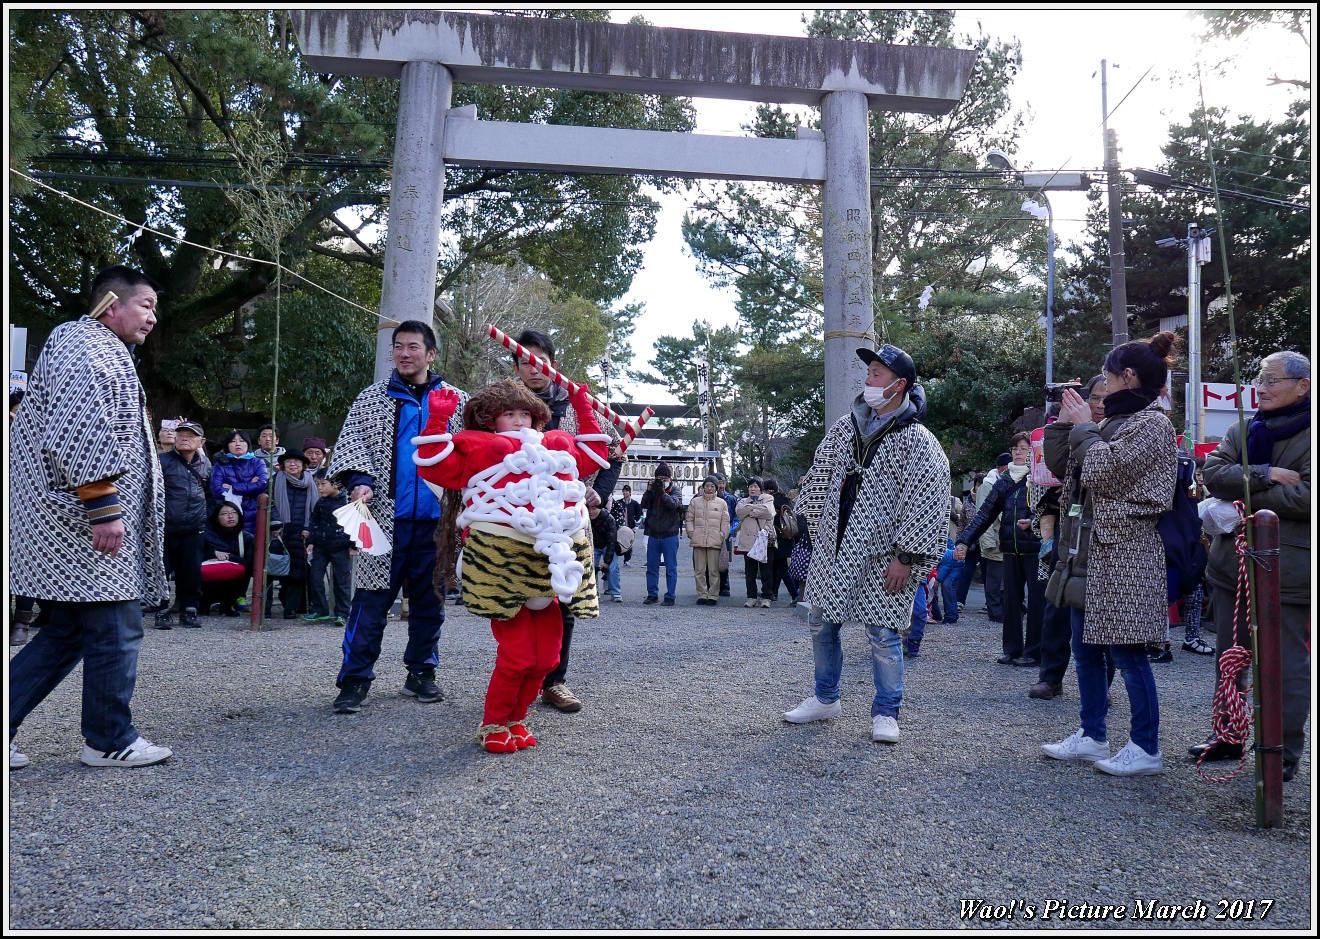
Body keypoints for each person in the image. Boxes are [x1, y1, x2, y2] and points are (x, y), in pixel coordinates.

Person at [9, 264, 172, 770]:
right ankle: (108, 738)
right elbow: (80, 428)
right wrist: (103, 506)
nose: (151, 319)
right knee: (116, 627)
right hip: (82, 523)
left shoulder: (92, 346)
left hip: (71, 521)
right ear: (109, 305)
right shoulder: (86, 343)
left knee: (69, 632)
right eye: (145, 306)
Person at [412, 379, 608, 753]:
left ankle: (517, 718)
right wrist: (437, 419)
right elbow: (434, 464)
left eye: (525, 414)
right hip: (503, 565)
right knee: (518, 654)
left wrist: (584, 410)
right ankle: (494, 722)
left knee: (547, 657)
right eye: (509, 414)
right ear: (490, 420)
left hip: (549, 561)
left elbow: (593, 456)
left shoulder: (554, 446)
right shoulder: (478, 447)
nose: (519, 421)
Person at [786, 343, 949, 744]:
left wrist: (907, 557)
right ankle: (826, 698)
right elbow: (820, 472)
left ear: (900, 385)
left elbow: (927, 498)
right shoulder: (846, 427)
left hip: (885, 554)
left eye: (876, 373)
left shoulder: (919, 441)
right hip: (834, 545)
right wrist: (806, 522)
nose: (868, 381)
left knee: (884, 632)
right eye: (869, 372)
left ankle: (887, 712)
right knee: (821, 621)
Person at [1041, 331, 1179, 776]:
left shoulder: (1154, 424)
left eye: (1108, 375)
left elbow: (1104, 471)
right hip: (1090, 550)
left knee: (1127, 653)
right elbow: (1068, 468)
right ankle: (1092, 734)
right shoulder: (1113, 423)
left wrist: (1083, 426)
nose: (1102, 385)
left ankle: (1146, 747)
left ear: (1129, 377)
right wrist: (1066, 424)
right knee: (1084, 649)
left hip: (1127, 553)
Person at [327, 320, 467, 714]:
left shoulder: (457, 400)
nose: (405, 353)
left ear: (431, 353)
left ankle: (421, 673)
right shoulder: (371, 399)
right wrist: (359, 480)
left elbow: (472, 450)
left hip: (437, 524)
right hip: (382, 517)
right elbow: (352, 442)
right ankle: (354, 680)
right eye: (399, 346)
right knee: (370, 604)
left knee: (430, 603)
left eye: (413, 347)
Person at [1190, 350, 1309, 781]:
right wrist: (1266, 473)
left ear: (1303, 385)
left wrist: (1243, 497)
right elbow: (1213, 474)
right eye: (1259, 378)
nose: (1261, 386)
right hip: (1233, 565)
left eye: (1272, 379)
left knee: (1286, 665)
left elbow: (1308, 497)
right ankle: (1228, 734)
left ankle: (1282, 754)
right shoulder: (1245, 429)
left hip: (1291, 572)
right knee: (1230, 656)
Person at [509, 328, 620, 713]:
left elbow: (613, 453)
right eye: (526, 360)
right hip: (518, 518)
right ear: (517, 365)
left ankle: (556, 680)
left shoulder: (576, 404)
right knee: (519, 596)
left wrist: (599, 495)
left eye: (541, 359)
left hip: (569, 518)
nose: (534, 368)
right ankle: (517, 676)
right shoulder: (506, 407)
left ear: (553, 364)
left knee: (564, 596)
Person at [955, 433, 1044, 667]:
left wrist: (1034, 525)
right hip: (1010, 548)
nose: (1018, 452)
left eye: (1023, 448)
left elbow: (1048, 510)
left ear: (1031, 452)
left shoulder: (1039, 477)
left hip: (1035, 548)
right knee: (1011, 600)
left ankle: (1034, 652)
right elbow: (985, 513)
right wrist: (964, 540)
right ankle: (1012, 649)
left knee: (1036, 602)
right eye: (1014, 448)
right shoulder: (1004, 480)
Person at [157, 419, 210, 629]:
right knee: (162, 570)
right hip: (166, 527)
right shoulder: (162, 461)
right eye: (181, 434)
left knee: (191, 572)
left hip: (194, 527)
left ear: (201, 441)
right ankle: (162, 609)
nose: (184, 438)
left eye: (191, 435)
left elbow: (211, 494)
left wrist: (205, 517)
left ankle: (190, 609)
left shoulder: (205, 464)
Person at [268, 449, 317, 619]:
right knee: (277, 567)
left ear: (303, 465)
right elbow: (270, 503)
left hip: (301, 530)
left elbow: (315, 509)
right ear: (283, 465)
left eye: (297, 462)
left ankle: (291, 608)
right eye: (289, 462)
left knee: (298, 571)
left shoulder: (311, 482)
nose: (293, 464)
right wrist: (275, 523)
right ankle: (272, 606)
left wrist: (309, 528)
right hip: (279, 530)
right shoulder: (276, 480)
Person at [304, 469, 355, 626]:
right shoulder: (321, 503)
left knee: (342, 581)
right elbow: (314, 522)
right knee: (315, 576)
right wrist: (311, 541)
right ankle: (320, 609)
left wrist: (354, 545)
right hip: (321, 545)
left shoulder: (346, 501)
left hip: (341, 545)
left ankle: (342, 613)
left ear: (335, 484)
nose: (319, 488)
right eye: (318, 484)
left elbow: (353, 524)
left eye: (323, 484)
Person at [210, 430, 268, 537]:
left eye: (242, 441)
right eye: (233, 441)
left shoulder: (257, 462)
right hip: (229, 514)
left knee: (252, 547)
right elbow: (216, 490)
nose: (237, 444)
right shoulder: (220, 465)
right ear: (227, 445)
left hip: (253, 514)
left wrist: (232, 487)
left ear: (248, 444)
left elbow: (261, 485)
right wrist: (249, 485)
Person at [641, 462, 682, 607]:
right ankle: (652, 594)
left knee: (671, 568)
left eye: (665, 478)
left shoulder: (675, 491)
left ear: (670, 479)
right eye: (659, 477)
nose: (662, 480)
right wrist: (649, 490)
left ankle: (670, 596)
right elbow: (643, 505)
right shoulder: (652, 491)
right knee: (652, 567)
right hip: (653, 534)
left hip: (670, 535)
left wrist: (662, 493)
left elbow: (673, 505)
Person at [687, 475, 731, 605]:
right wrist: (691, 533)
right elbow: (689, 519)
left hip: (715, 542)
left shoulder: (722, 503)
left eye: (712, 486)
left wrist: (722, 535)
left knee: (713, 571)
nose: (710, 488)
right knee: (699, 570)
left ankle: (713, 595)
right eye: (707, 485)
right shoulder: (695, 502)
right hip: (698, 540)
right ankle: (701, 594)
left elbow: (725, 522)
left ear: (716, 487)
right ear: (703, 487)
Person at [202, 502, 251, 616]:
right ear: (216, 517)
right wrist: (213, 554)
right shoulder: (205, 535)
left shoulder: (247, 537)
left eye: (234, 513)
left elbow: (250, 564)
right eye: (225, 513)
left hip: (235, 582)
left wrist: (229, 557)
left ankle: (228, 604)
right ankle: (204, 603)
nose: (230, 516)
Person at [735, 479, 776, 608]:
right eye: (750, 487)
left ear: (760, 488)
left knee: (766, 571)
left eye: (755, 487)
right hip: (748, 540)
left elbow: (768, 512)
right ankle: (751, 596)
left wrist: (750, 511)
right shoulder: (742, 501)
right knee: (750, 571)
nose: (752, 489)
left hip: (764, 539)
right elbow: (739, 512)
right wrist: (755, 508)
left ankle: (766, 596)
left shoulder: (768, 498)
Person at [764, 478, 799, 604]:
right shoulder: (785, 500)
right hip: (787, 538)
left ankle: (795, 595)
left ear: (768, 490)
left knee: (782, 568)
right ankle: (774, 592)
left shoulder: (771, 501)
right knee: (778, 566)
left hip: (778, 538)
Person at [586, 489, 622, 603]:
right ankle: (593, 591)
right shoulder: (585, 519)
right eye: (589, 508)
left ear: (601, 508)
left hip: (608, 544)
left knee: (613, 567)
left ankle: (616, 592)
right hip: (594, 545)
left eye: (594, 508)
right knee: (591, 567)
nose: (591, 511)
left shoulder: (609, 519)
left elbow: (612, 542)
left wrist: (606, 562)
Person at [714, 473, 739, 597]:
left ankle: (724, 585)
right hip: (711, 533)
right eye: (719, 483)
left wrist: (730, 530)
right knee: (711, 560)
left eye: (723, 482)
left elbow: (736, 517)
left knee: (723, 560)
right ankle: (712, 585)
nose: (721, 485)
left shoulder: (731, 498)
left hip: (726, 534)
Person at [611, 485, 642, 567]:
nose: (625, 492)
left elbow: (640, 515)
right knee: (617, 542)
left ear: (630, 492)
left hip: (630, 527)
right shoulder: (618, 503)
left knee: (628, 544)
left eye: (626, 491)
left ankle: (627, 560)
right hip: (620, 527)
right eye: (624, 491)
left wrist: (636, 525)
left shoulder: (635, 503)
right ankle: (615, 559)